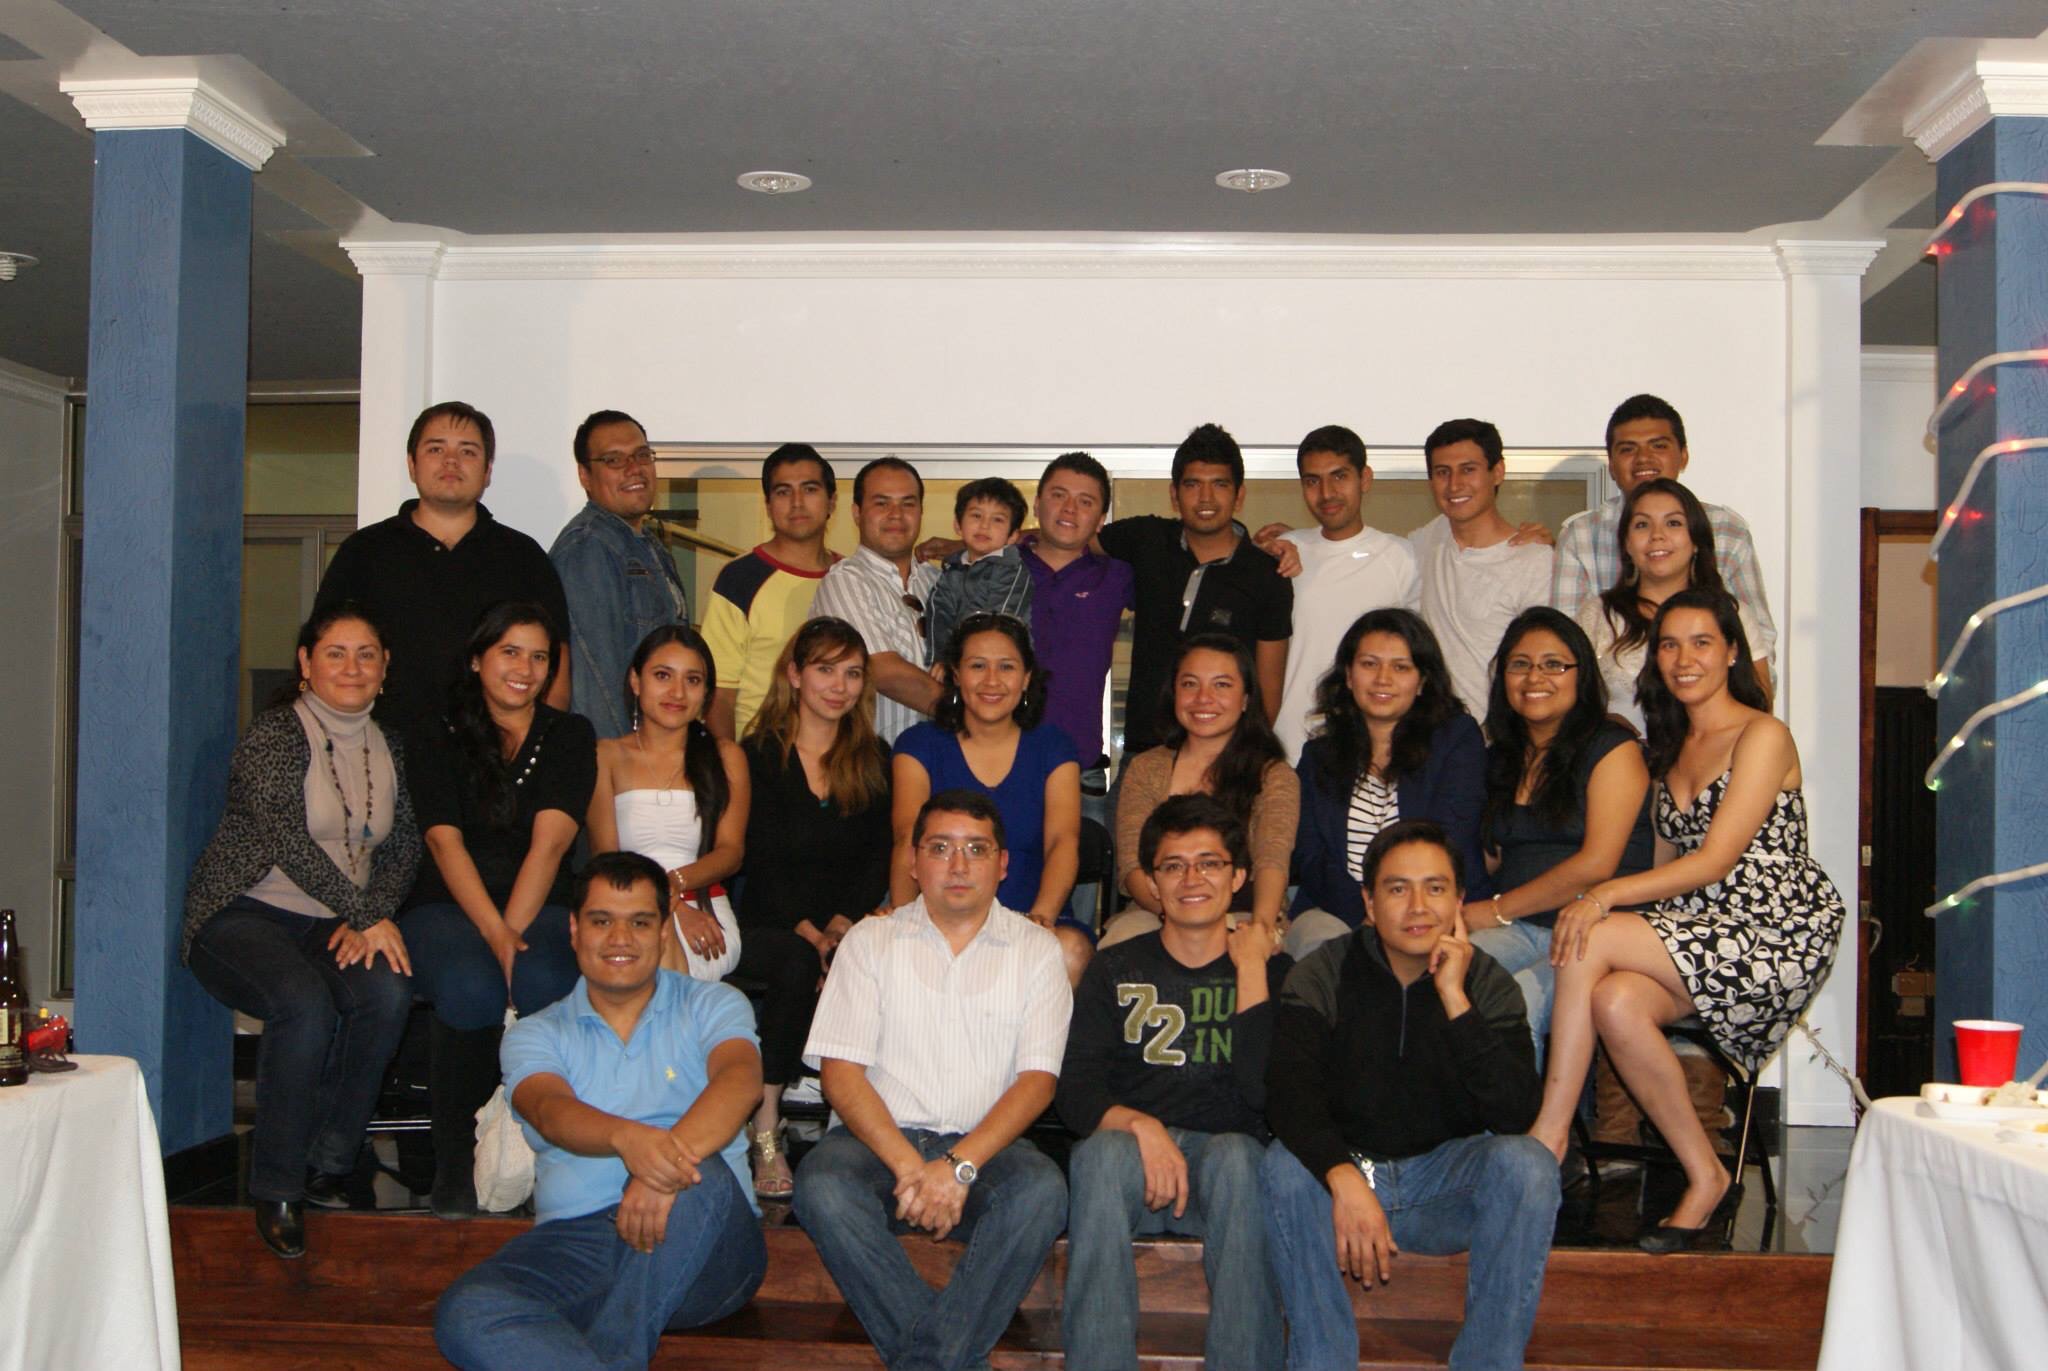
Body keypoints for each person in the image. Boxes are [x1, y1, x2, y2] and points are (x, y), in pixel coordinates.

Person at [1528, 589, 1843, 1251]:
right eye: (1669, 644)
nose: (1683, 658)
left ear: (1732, 653)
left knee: (1590, 930)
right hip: (1702, 932)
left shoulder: (1763, 734)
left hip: (1774, 931)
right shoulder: (1670, 749)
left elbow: (1715, 860)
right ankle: (1706, 1173)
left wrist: (1601, 897)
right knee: (1615, 999)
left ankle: (1549, 1135)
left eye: (1702, 642)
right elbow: (1668, 868)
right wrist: (1619, 917)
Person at [433, 851, 767, 1370]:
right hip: (578, 1244)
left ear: (664, 932)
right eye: (602, 921)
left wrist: (659, 1170)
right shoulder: (536, 1032)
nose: (620, 939)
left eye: (640, 922)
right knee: (468, 1312)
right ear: (574, 930)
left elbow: (740, 1081)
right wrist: (629, 1141)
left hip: (706, 1245)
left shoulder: (713, 1004)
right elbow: (549, 1109)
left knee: (703, 1173)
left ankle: (617, 1354)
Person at [1262, 821, 1558, 1371]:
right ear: (1370, 904)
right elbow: (1287, 1094)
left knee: (1528, 1164)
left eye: (1435, 888)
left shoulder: (1486, 982)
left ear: (1459, 901)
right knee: (1284, 1165)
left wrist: (1455, 1000)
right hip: (1344, 1183)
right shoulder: (1323, 971)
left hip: (1443, 1186)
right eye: (1398, 889)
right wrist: (1342, 1176)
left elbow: (1516, 1113)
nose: (1419, 907)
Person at [792, 791, 1071, 1371]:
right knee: (822, 1186)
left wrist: (957, 1167)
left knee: (1042, 1192)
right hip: (877, 1146)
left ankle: (928, 1362)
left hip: (985, 1149)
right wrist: (912, 1169)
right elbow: (841, 1075)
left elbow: (1038, 1082)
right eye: (940, 848)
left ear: (1002, 864)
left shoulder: (1038, 951)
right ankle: (948, 1359)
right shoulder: (869, 942)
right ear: (914, 862)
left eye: (976, 849)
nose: (958, 865)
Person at [181, 604, 422, 1258]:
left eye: (366, 654)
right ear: (306, 664)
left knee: (387, 994)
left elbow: (404, 846)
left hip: (335, 921)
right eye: (335, 653)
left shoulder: (390, 744)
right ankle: (278, 1185)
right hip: (243, 911)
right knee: (304, 1004)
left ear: (385, 668)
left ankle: (329, 1161)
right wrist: (366, 914)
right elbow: (285, 838)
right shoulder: (275, 733)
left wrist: (370, 912)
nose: (352, 666)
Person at [1058, 795, 1290, 1371]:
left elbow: (1271, 1099)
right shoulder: (1114, 968)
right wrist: (1142, 1126)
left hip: (1228, 1181)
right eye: (1173, 866)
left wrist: (1252, 969)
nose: (1192, 879)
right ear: (1153, 884)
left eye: (1209, 863)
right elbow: (1075, 1089)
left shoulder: (1277, 974)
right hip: (1130, 1174)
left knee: (1240, 1157)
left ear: (1238, 877)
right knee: (1102, 1154)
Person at [402, 601, 597, 1218]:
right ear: (477, 659)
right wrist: (493, 933)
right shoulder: (436, 731)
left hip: (539, 905)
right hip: (447, 903)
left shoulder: (570, 735)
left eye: (539, 657)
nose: (525, 669)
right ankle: (455, 1162)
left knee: (544, 978)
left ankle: (549, 1155)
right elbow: (443, 841)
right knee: (469, 986)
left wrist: (510, 933)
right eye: (510, 652)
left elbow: (552, 844)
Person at [735, 616, 894, 1198]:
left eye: (852, 673)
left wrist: (842, 927)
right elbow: (756, 858)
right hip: (770, 921)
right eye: (826, 669)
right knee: (797, 962)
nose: (839, 686)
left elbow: (878, 857)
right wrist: (811, 933)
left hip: (846, 923)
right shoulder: (757, 755)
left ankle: (856, 1123)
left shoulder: (874, 756)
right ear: (795, 674)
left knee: (879, 956)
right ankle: (766, 1125)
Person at [1463, 607, 1654, 1051]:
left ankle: (1525, 1103)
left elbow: (1596, 865)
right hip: (1520, 927)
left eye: (1554, 664)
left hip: (1594, 933)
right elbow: (1488, 857)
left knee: (1514, 1004)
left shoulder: (1612, 749)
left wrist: (1496, 910)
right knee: (1440, 975)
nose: (1535, 677)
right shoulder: (1499, 758)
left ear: (1580, 675)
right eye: (1520, 664)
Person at [316, 401, 572, 726]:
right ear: (412, 465)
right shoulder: (363, 552)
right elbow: (324, 655)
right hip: (381, 747)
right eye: (436, 449)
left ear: (487, 471)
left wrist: (536, 745)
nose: (451, 461)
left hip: (496, 749)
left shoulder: (524, 557)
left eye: (468, 451)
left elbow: (556, 666)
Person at [891, 613, 1090, 984]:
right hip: (939, 919)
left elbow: (1063, 841)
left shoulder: (1054, 747)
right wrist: (904, 920)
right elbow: (907, 839)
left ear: (1026, 678)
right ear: (956, 674)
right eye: (978, 666)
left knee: (1069, 950)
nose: (992, 681)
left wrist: (1039, 921)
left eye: (1007, 667)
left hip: (1032, 914)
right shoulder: (918, 745)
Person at [1289, 609, 1491, 960]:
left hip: (1432, 910)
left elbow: (1451, 838)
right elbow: (1310, 854)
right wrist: (1368, 913)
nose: (1383, 679)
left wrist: (1398, 914)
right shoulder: (1319, 755)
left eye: (1400, 667)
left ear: (1422, 681)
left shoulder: (1456, 740)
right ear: (1348, 676)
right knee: (1325, 950)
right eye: (1369, 664)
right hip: (1338, 912)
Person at [1098, 423, 1291, 757]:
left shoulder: (1267, 574)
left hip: (1224, 757)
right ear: (1174, 495)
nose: (1206, 498)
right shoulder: (1146, 539)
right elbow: (1069, 539)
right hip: (1143, 753)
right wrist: (1010, 537)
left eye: (1219, 484)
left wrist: (1243, 761)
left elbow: (1268, 691)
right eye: (1193, 485)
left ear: (1239, 496)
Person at [1551, 393, 1776, 665]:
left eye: (1658, 446)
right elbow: (1564, 646)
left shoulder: (1727, 530)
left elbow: (1758, 642)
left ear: (1683, 456)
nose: (1643, 459)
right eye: (1628, 449)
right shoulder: (1581, 535)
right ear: (1612, 466)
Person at [1105, 634, 1298, 949]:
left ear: (1246, 699)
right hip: (1157, 911)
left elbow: (1272, 860)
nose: (1203, 698)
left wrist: (1261, 927)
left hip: (1247, 914)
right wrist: (1178, 917)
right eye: (1190, 684)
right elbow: (1132, 867)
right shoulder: (1145, 768)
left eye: (1221, 685)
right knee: (1123, 942)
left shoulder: (1273, 774)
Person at [586, 626, 750, 985]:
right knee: (649, 943)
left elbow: (731, 853)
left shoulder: (726, 757)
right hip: (622, 905)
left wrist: (675, 888)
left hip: (703, 907)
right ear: (636, 681)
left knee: (657, 950)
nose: (677, 692)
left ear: (706, 693)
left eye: (692, 680)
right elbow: (604, 857)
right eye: (663, 676)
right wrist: (666, 907)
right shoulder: (606, 755)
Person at [1263, 425, 1420, 761]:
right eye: (1312, 481)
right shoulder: (1284, 552)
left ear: (1365, 479)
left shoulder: (1402, 558)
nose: (1327, 492)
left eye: (1339, 476)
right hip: (1285, 748)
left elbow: (1419, 660)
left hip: (1372, 751)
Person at [1577, 478, 1773, 732]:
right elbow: (1572, 707)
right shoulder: (1596, 614)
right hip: (1616, 754)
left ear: (1696, 539)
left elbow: (1758, 707)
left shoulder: (1731, 613)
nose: (1657, 535)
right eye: (1642, 525)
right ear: (1626, 544)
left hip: (1711, 754)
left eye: (1673, 523)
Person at [548, 410, 692, 741]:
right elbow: (594, 684)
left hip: (654, 749)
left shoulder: (650, 546)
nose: (634, 468)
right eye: (614, 460)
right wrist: (622, 765)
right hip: (620, 758)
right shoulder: (588, 548)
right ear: (585, 476)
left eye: (642, 455)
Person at [1411, 419, 1555, 716]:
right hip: (1433, 733)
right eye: (1442, 472)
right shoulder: (1422, 543)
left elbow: (1545, 662)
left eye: (1468, 469)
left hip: (1501, 734)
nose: (1454, 485)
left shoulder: (1535, 561)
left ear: (1497, 472)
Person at [704, 442, 840, 740]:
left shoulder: (850, 578)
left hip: (838, 754)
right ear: (768, 505)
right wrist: (731, 761)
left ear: (832, 501)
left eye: (810, 489)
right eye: (783, 492)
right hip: (759, 754)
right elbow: (719, 694)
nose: (797, 502)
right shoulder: (739, 578)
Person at [1016, 452, 1135, 781]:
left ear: (1100, 520)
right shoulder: (1000, 567)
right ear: (1037, 504)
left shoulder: (1117, 576)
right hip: (997, 761)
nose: (1070, 509)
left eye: (1085, 502)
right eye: (1059, 495)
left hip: (1080, 765)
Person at [810, 457, 943, 744]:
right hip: (871, 762)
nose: (896, 515)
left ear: (921, 512)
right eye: (881, 503)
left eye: (908, 504)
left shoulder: (939, 581)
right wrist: (971, 713)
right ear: (857, 513)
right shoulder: (845, 581)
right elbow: (883, 671)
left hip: (944, 760)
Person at [923, 476, 1033, 667]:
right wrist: (939, 661)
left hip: (1002, 667)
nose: (984, 525)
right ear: (958, 525)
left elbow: (997, 625)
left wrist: (959, 662)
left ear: (1013, 535)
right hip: (961, 667)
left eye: (997, 519)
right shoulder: (952, 569)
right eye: (976, 516)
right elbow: (938, 617)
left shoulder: (1014, 570)